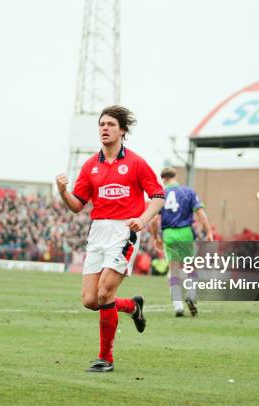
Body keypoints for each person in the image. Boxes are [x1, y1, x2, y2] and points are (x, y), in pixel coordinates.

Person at [56, 105, 165, 372]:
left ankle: (106, 358)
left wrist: (143, 218)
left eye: (110, 125)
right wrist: (62, 191)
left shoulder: (136, 163)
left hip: (124, 231)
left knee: (105, 292)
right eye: (101, 124)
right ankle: (132, 306)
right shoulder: (90, 165)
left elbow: (158, 196)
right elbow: (77, 204)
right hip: (98, 232)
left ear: (122, 131)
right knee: (90, 300)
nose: (104, 128)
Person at [150, 167, 213, 317]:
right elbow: (200, 214)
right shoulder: (188, 192)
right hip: (185, 232)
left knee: (174, 270)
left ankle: (178, 306)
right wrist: (208, 231)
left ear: (163, 179)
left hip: (169, 234)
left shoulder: (161, 195)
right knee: (191, 268)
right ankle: (191, 295)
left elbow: (153, 220)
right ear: (175, 176)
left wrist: (155, 238)